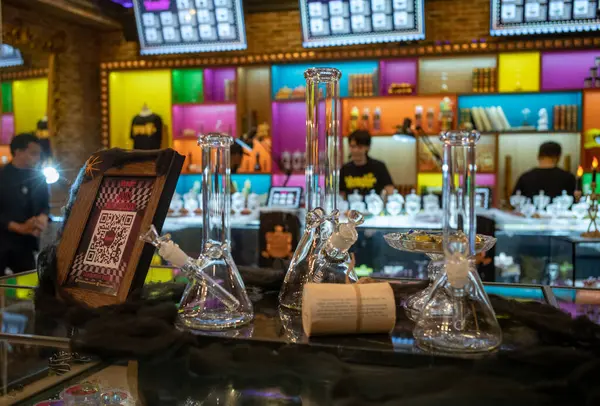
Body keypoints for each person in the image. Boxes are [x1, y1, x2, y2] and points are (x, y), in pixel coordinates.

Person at [0, 133, 50, 275]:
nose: (38, 158)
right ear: (18, 152)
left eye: (39, 154)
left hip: (26, 243)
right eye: (33, 153)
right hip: (3, 240)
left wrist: (42, 218)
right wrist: (18, 227)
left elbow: (44, 205)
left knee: (28, 285)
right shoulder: (2, 175)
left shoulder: (38, 177)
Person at [512, 141, 576, 199]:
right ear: (558, 157)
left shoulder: (525, 177)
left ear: (538, 156)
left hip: (530, 212)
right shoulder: (568, 178)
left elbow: (515, 201)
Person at [340, 130, 394, 197]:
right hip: (351, 207)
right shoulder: (345, 169)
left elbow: (390, 190)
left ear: (367, 148)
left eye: (360, 147)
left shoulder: (379, 166)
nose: (355, 150)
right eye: (352, 146)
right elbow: (341, 194)